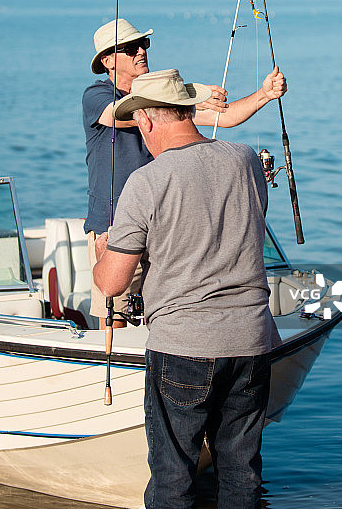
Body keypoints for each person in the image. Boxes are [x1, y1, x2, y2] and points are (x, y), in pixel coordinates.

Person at [93, 69, 280, 509]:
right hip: (251, 341)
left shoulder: (145, 182)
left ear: (147, 121)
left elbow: (112, 281)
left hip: (183, 346)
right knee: (241, 477)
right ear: (188, 110)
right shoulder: (246, 159)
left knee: (173, 482)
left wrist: (106, 249)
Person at [83, 18, 286, 327]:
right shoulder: (96, 97)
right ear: (108, 61)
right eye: (130, 48)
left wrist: (264, 94)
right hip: (114, 225)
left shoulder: (160, 101)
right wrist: (190, 99)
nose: (141, 51)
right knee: (115, 317)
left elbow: (224, 117)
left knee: (167, 309)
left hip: (164, 223)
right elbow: (122, 115)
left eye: (144, 44)